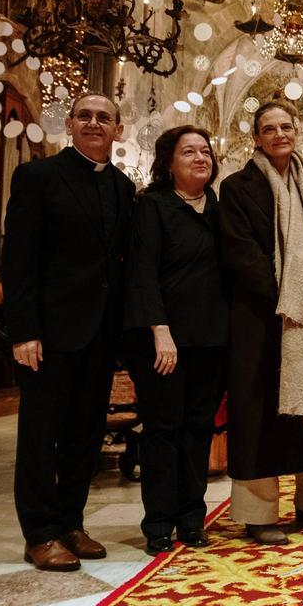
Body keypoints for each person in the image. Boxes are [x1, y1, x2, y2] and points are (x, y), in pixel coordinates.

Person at [3, 93, 134, 571]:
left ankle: (71, 522)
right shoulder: (38, 177)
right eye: (85, 116)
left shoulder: (122, 186)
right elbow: (19, 259)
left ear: (118, 129)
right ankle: (39, 532)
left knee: (84, 433)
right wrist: (24, 331)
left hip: (100, 333)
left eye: (104, 118)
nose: (94, 123)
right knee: (41, 435)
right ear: (70, 124)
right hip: (49, 332)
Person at [219, 101, 303, 545]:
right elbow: (240, 252)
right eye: (268, 129)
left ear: (296, 132)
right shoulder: (237, 187)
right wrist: (286, 293)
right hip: (258, 317)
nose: (278, 135)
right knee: (257, 414)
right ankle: (258, 513)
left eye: (285, 127)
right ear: (256, 137)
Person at [124, 125, 228, 555]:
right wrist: (159, 329)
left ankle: (191, 519)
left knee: (199, 429)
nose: (200, 158)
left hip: (212, 340)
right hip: (163, 341)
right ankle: (158, 523)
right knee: (163, 429)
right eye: (189, 152)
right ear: (169, 162)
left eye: (205, 151)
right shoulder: (153, 206)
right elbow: (142, 271)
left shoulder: (219, 210)